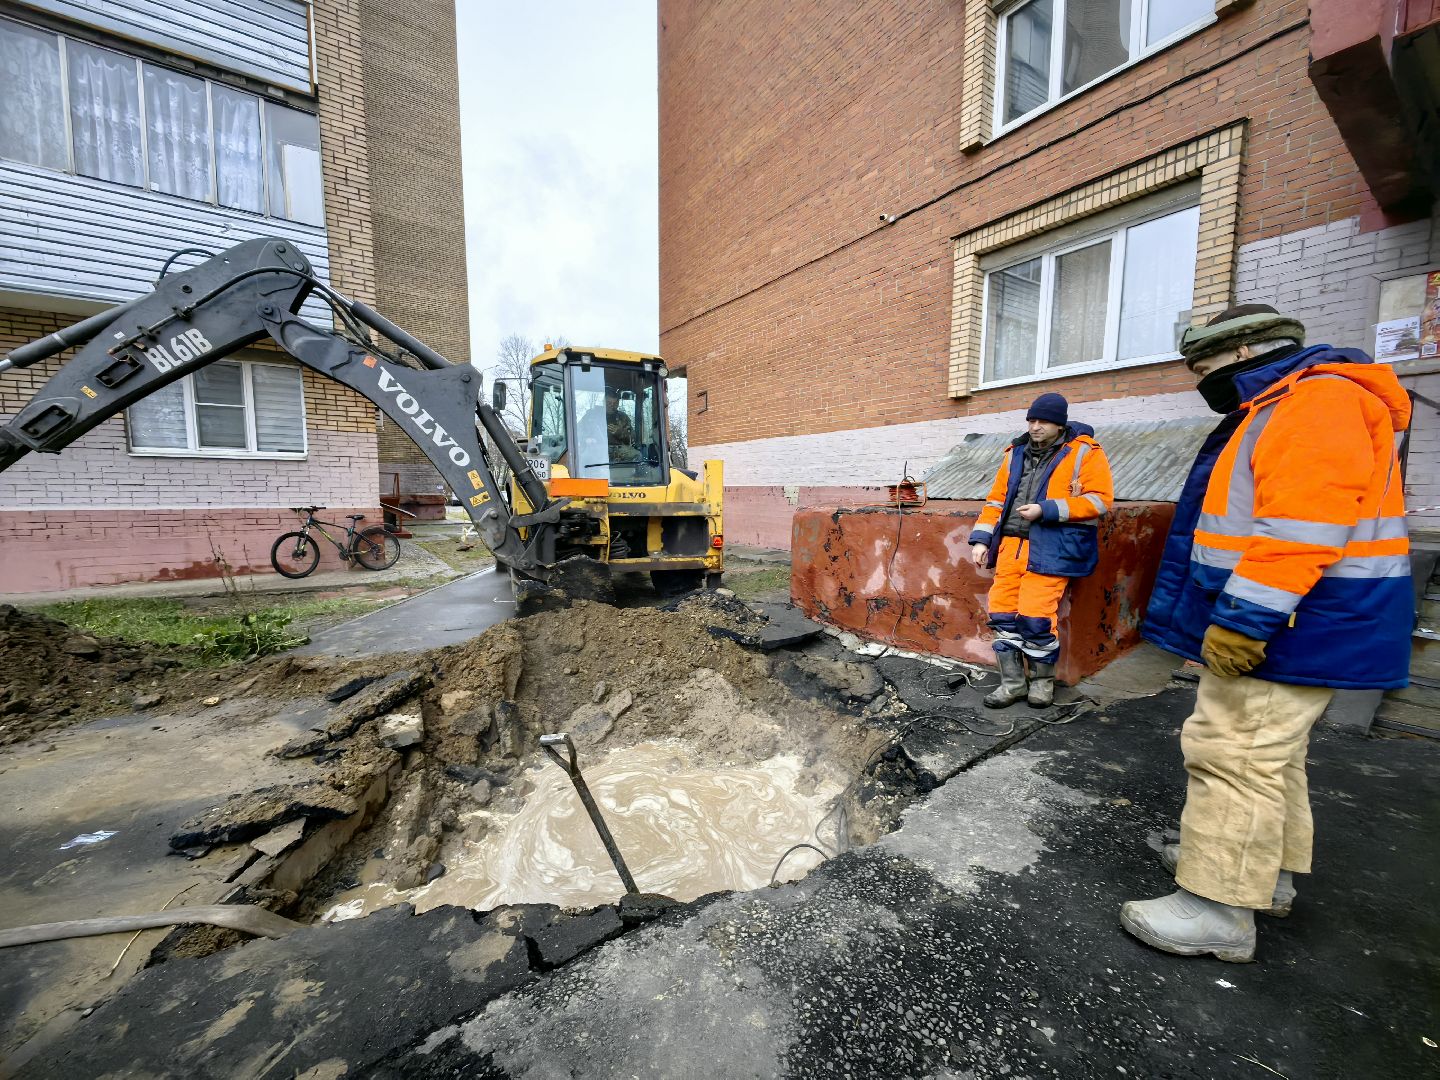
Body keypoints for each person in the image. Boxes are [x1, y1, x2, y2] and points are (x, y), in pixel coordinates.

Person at [1122, 304, 1412, 963]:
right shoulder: (1286, 404)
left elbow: (1297, 532)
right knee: (1271, 756)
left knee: (1232, 749)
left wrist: (1243, 621)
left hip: (1295, 621)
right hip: (1309, 618)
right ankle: (1263, 878)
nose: (1200, 379)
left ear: (1246, 349)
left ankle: (1217, 905)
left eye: (1205, 365)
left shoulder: (1314, 403)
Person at [968, 393, 1114, 709]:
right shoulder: (1015, 453)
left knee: (1036, 618)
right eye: (1031, 420)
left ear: (1059, 423)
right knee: (1003, 615)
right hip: (1009, 548)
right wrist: (981, 539)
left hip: (1051, 549)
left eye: (1042, 421)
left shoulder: (1084, 453)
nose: (1035, 427)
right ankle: (1012, 685)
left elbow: (1100, 501)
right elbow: (995, 501)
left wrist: (1046, 510)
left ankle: (1041, 685)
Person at [579, 385, 640, 465]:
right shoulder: (591, 415)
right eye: (609, 403)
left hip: (618, 453)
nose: (612, 406)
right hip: (595, 451)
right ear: (603, 402)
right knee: (582, 459)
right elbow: (577, 433)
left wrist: (621, 433)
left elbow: (633, 439)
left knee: (638, 456)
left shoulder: (623, 417)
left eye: (615, 403)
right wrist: (587, 439)